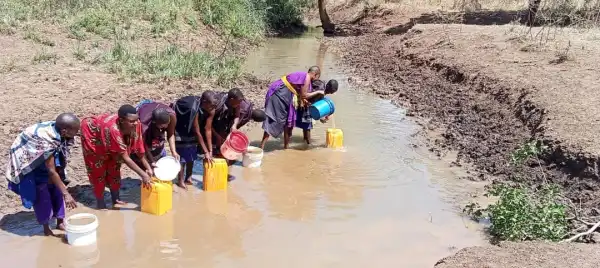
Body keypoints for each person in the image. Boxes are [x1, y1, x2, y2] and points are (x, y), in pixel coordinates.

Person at [6, 113, 80, 236]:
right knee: (42, 197)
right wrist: (67, 194)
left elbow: (54, 168)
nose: (76, 133)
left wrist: (62, 190)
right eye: (75, 131)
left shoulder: (59, 135)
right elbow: (51, 171)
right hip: (34, 165)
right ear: (64, 131)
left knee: (57, 191)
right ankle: (46, 229)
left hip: (49, 161)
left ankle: (60, 222)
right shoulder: (46, 141)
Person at [81, 105, 153, 209]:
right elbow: (125, 158)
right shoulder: (113, 130)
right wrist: (143, 175)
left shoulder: (136, 124)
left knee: (114, 166)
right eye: (132, 121)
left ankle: (116, 200)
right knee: (97, 170)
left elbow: (139, 147)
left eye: (137, 120)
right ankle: (100, 203)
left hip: (111, 137)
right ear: (122, 120)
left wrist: (148, 167)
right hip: (94, 136)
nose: (136, 123)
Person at [260, 66, 323, 150]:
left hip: (286, 96)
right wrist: (318, 91)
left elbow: (300, 93)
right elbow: (304, 95)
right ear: (316, 75)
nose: (314, 80)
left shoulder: (303, 76)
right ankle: (261, 147)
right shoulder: (307, 78)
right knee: (273, 119)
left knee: (287, 122)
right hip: (279, 95)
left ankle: (286, 148)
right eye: (316, 77)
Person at [172, 92, 217, 189]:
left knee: (192, 153)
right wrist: (205, 152)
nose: (212, 108)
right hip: (181, 125)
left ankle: (188, 177)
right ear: (204, 102)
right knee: (182, 155)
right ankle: (180, 180)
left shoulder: (211, 109)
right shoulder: (193, 109)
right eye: (211, 105)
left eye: (214, 106)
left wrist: (210, 151)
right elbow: (197, 131)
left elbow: (207, 129)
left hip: (192, 126)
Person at [135, 100, 178, 166]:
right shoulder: (144, 125)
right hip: (144, 112)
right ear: (155, 122)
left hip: (153, 110)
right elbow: (143, 144)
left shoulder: (171, 116)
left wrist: (174, 152)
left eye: (167, 124)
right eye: (163, 125)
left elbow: (171, 133)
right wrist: (152, 160)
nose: (166, 126)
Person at [296, 79, 339, 145]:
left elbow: (316, 104)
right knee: (307, 126)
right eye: (331, 91)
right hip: (305, 104)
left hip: (307, 104)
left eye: (332, 92)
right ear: (327, 86)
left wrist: (321, 117)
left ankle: (305, 141)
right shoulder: (320, 88)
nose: (330, 93)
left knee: (306, 126)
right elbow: (310, 98)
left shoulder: (322, 86)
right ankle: (308, 145)